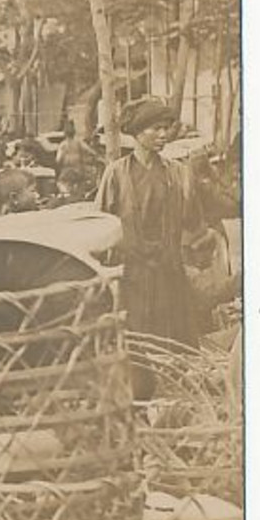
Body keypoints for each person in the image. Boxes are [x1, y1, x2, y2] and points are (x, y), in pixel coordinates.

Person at [97, 97, 210, 359]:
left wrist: (193, 253)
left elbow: (195, 223)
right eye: (155, 129)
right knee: (136, 339)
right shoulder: (116, 174)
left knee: (175, 339)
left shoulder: (178, 173)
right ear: (137, 133)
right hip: (132, 271)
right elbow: (101, 223)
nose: (163, 135)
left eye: (166, 128)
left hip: (169, 267)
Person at [55, 122, 102, 201]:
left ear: (65, 134)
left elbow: (58, 159)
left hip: (67, 171)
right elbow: (90, 151)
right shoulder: (79, 143)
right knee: (79, 190)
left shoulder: (63, 145)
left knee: (64, 187)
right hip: (78, 170)